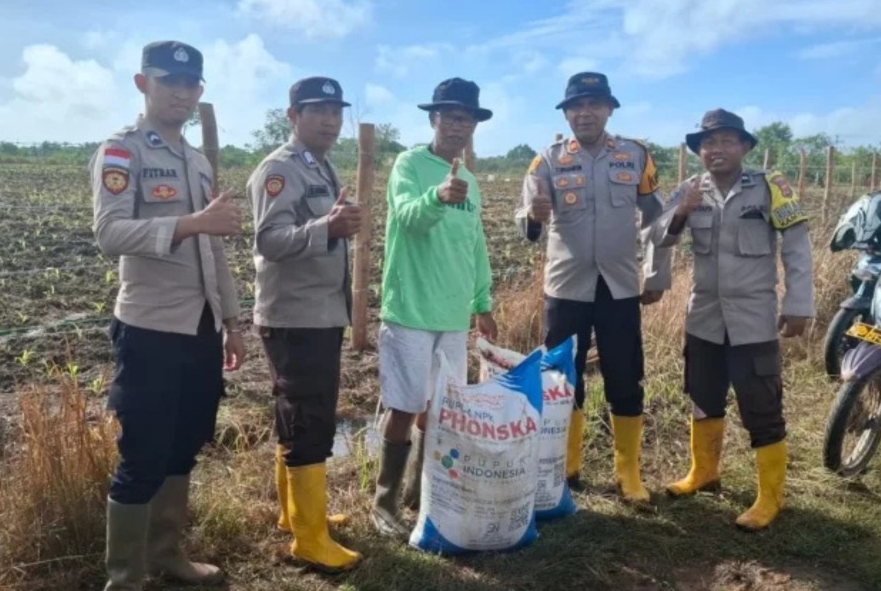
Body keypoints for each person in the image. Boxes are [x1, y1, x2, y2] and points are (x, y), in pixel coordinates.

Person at [91, 40, 245, 590]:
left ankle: (167, 555)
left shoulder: (198, 161)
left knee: (185, 442)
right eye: (169, 80)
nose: (181, 92)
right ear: (142, 83)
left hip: (200, 327)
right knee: (144, 452)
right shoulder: (122, 151)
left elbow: (215, 247)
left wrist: (231, 319)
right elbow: (109, 233)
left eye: (192, 84)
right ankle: (125, 577)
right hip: (150, 327)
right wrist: (190, 223)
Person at [651, 108, 815, 530]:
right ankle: (703, 472)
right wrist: (681, 212)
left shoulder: (769, 186)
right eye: (708, 143)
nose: (716, 149)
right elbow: (655, 237)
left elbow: (796, 245)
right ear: (698, 151)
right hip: (704, 317)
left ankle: (769, 498)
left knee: (761, 406)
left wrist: (799, 304)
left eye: (726, 141)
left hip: (753, 319)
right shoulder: (690, 188)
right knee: (703, 396)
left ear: (744, 147)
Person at [515, 72, 671, 504]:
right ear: (565, 114)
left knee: (625, 376)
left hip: (619, 288)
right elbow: (526, 218)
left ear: (609, 109)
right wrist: (533, 214)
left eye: (593, 104)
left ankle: (629, 474)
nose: (584, 113)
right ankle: (566, 467)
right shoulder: (545, 160)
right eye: (575, 106)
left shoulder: (635, 156)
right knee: (563, 380)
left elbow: (658, 221)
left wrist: (657, 275)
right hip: (565, 288)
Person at [371, 77, 498, 537]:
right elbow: (407, 216)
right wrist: (437, 197)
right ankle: (383, 503)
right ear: (434, 119)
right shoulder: (409, 165)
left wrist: (482, 302)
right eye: (451, 117)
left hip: (451, 316)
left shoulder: (473, 182)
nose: (459, 126)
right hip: (409, 310)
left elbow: (476, 246)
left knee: (438, 409)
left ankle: (420, 493)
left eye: (468, 119)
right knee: (404, 406)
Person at [248, 76, 363, 571]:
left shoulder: (320, 165)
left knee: (296, 414)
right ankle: (309, 540)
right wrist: (327, 228)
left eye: (336, 111)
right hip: (295, 317)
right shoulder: (279, 168)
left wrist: (331, 225)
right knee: (311, 418)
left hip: (318, 312)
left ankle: (293, 516)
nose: (331, 120)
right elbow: (269, 240)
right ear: (293, 115)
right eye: (318, 110)